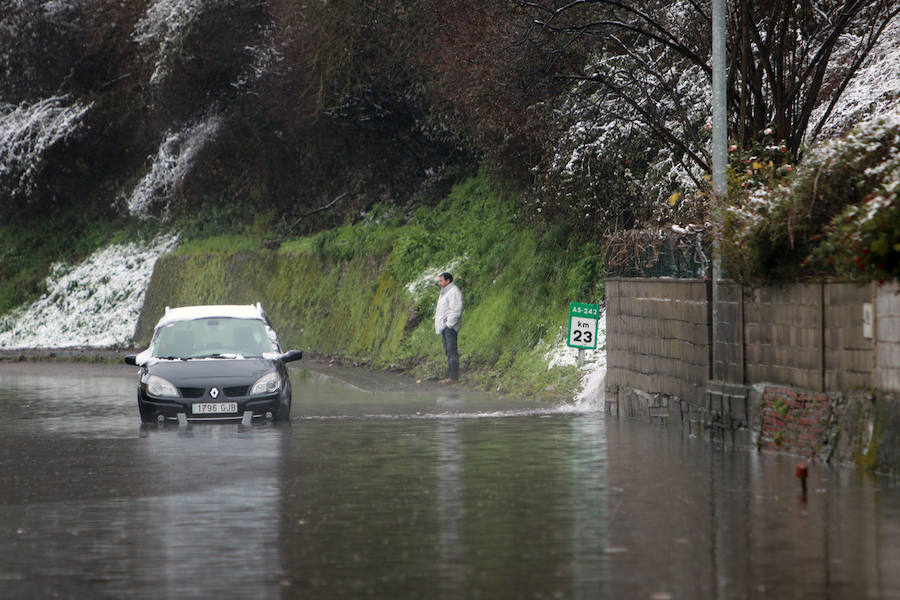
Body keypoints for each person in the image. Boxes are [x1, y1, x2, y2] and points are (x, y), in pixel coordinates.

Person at [434, 272, 462, 383]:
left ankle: (453, 377)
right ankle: (449, 375)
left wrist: (448, 325)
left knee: (451, 351)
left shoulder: (453, 292)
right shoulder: (445, 292)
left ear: (448, 281)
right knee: (448, 351)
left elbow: (456, 309)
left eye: (441, 280)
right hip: (445, 327)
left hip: (450, 327)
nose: (439, 283)